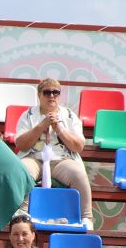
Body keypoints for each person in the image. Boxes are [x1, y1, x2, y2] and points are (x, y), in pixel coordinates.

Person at [11, 77, 94, 223]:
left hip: (61, 159)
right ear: (39, 95)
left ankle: (86, 217)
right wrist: (41, 126)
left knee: (78, 173)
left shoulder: (69, 115)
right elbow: (21, 145)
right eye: (47, 92)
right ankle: (21, 213)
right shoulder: (28, 114)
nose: (51, 96)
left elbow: (78, 146)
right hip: (34, 157)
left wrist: (60, 130)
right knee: (22, 170)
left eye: (56, 92)